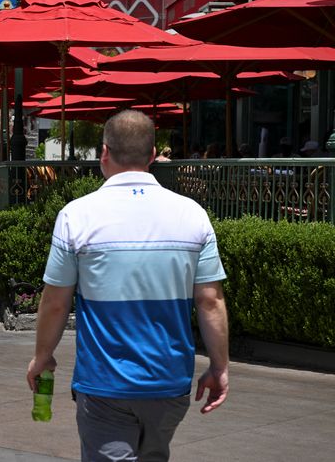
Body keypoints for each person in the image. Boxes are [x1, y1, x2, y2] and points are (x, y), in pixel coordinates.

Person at [27, 110, 230, 462]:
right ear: (152, 155)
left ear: (104, 152)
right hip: (169, 383)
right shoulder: (193, 214)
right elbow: (210, 301)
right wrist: (219, 367)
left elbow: (56, 302)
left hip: (104, 384)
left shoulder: (77, 215)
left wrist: (42, 356)